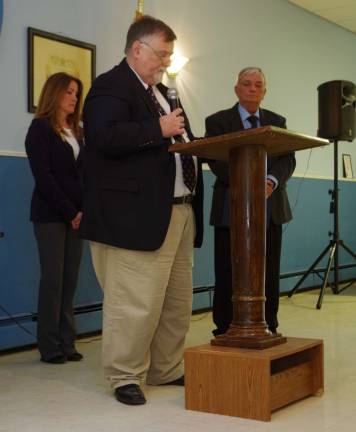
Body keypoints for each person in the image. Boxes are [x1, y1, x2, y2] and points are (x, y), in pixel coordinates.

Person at [79, 15, 203, 406]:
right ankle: (124, 376)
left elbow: (178, 139)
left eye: (169, 55)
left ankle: (165, 367)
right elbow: (104, 136)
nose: (166, 61)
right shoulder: (110, 86)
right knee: (135, 301)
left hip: (179, 212)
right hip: (138, 214)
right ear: (137, 49)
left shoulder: (161, 93)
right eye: (162, 54)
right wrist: (159, 128)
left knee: (175, 300)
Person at [205, 67, 296, 336]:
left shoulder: (277, 120)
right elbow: (216, 159)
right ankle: (224, 328)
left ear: (264, 92)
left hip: (271, 207)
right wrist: (247, 184)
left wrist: (269, 181)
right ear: (236, 89)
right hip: (230, 207)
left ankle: (270, 325)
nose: (252, 89)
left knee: (268, 270)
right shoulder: (218, 121)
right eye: (247, 84)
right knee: (227, 270)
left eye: (258, 85)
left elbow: (288, 159)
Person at [25, 72, 85, 364]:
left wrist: (81, 211)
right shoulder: (39, 129)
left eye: (76, 93)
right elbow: (44, 178)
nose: (74, 98)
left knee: (70, 280)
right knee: (53, 281)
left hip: (77, 216)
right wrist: (70, 211)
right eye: (69, 92)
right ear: (55, 94)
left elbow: (83, 175)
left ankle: (67, 343)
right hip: (51, 215)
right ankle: (50, 347)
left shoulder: (78, 131)